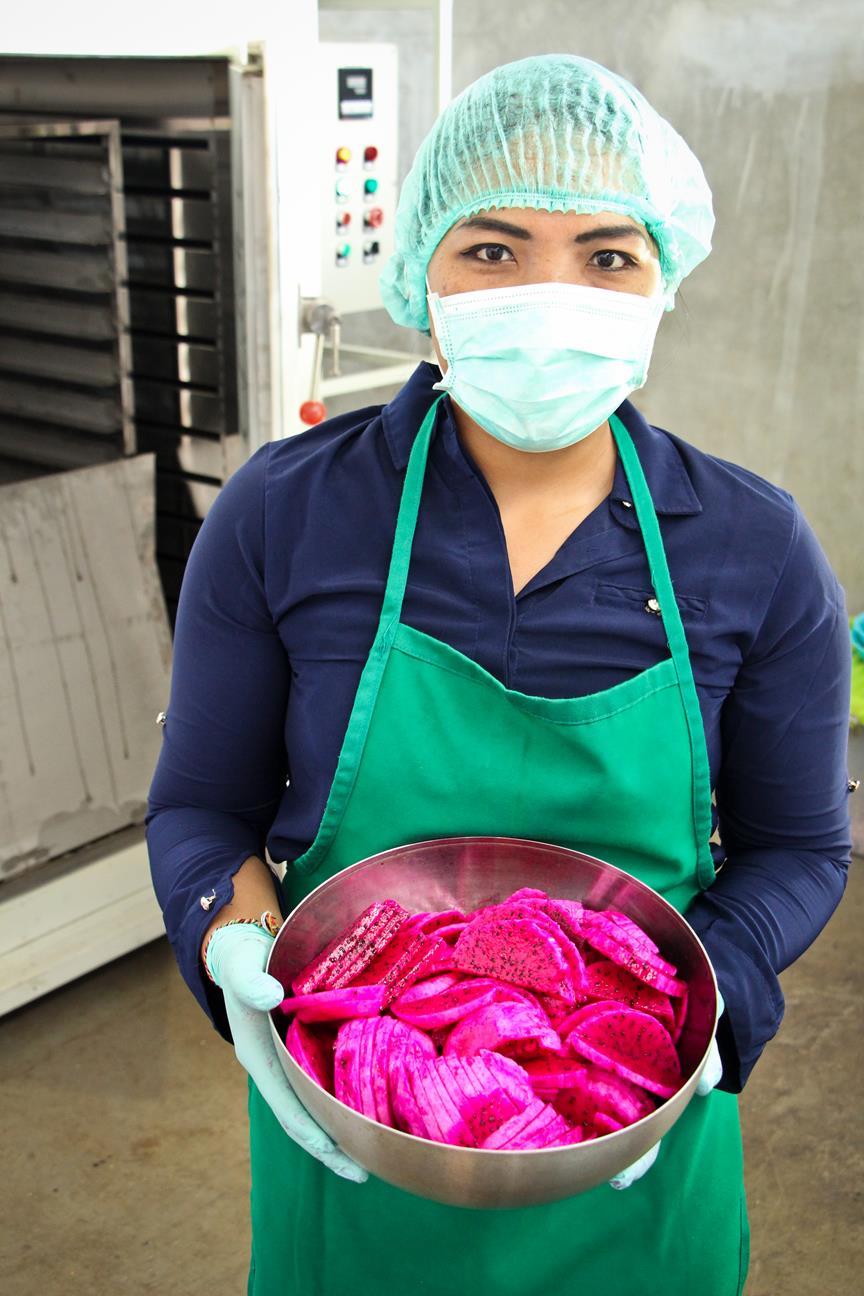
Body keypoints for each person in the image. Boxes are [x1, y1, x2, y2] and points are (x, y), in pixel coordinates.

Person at [146, 54, 852, 1295]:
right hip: (353, 1134)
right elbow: (204, 808)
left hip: (638, 1140)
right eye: (492, 250)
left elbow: (801, 847)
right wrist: (238, 945)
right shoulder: (284, 514)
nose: (549, 295)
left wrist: (709, 998)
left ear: (663, 283)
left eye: (607, 257)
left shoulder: (755, 545)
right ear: (421, 272)